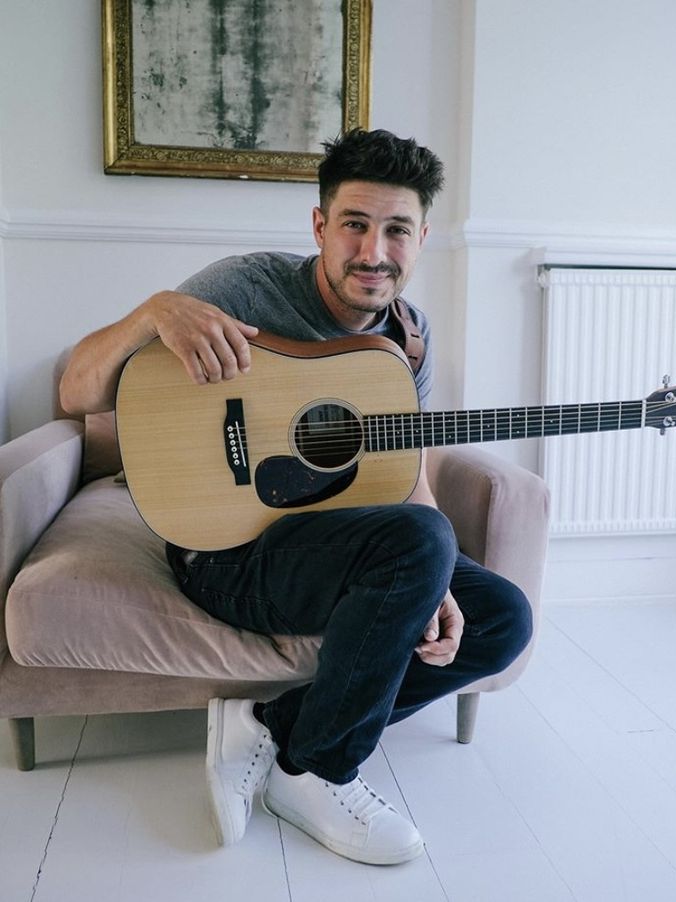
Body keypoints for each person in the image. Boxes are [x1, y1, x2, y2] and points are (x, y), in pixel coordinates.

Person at [60, 128, 533, 866]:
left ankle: (276, 728)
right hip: (226, 553)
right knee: (422, 547)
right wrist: (149, 314)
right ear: (320, 225)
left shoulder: (408, 340)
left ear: (422, 238)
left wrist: (435, 574)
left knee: (503, 620)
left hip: (346, 552)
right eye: (355, 225)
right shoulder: (245, 288)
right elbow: (76, 391)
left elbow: (409, 473)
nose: (375, 251)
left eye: (397, 230)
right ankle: (318, 771)